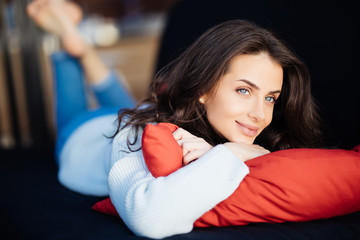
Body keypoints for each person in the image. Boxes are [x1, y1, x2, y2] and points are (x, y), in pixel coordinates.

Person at [27, 0, 323, 238]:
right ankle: (68, 38)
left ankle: (78, 43)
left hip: (135, 112)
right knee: (84, 111)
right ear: (204, 89)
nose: (260, 114)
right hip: (85, 136)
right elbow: (149, 218)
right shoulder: (138, 136)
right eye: (244, 90)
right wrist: (230, 153)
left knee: (130, 105)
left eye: (270, 97)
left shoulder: (201, 118)